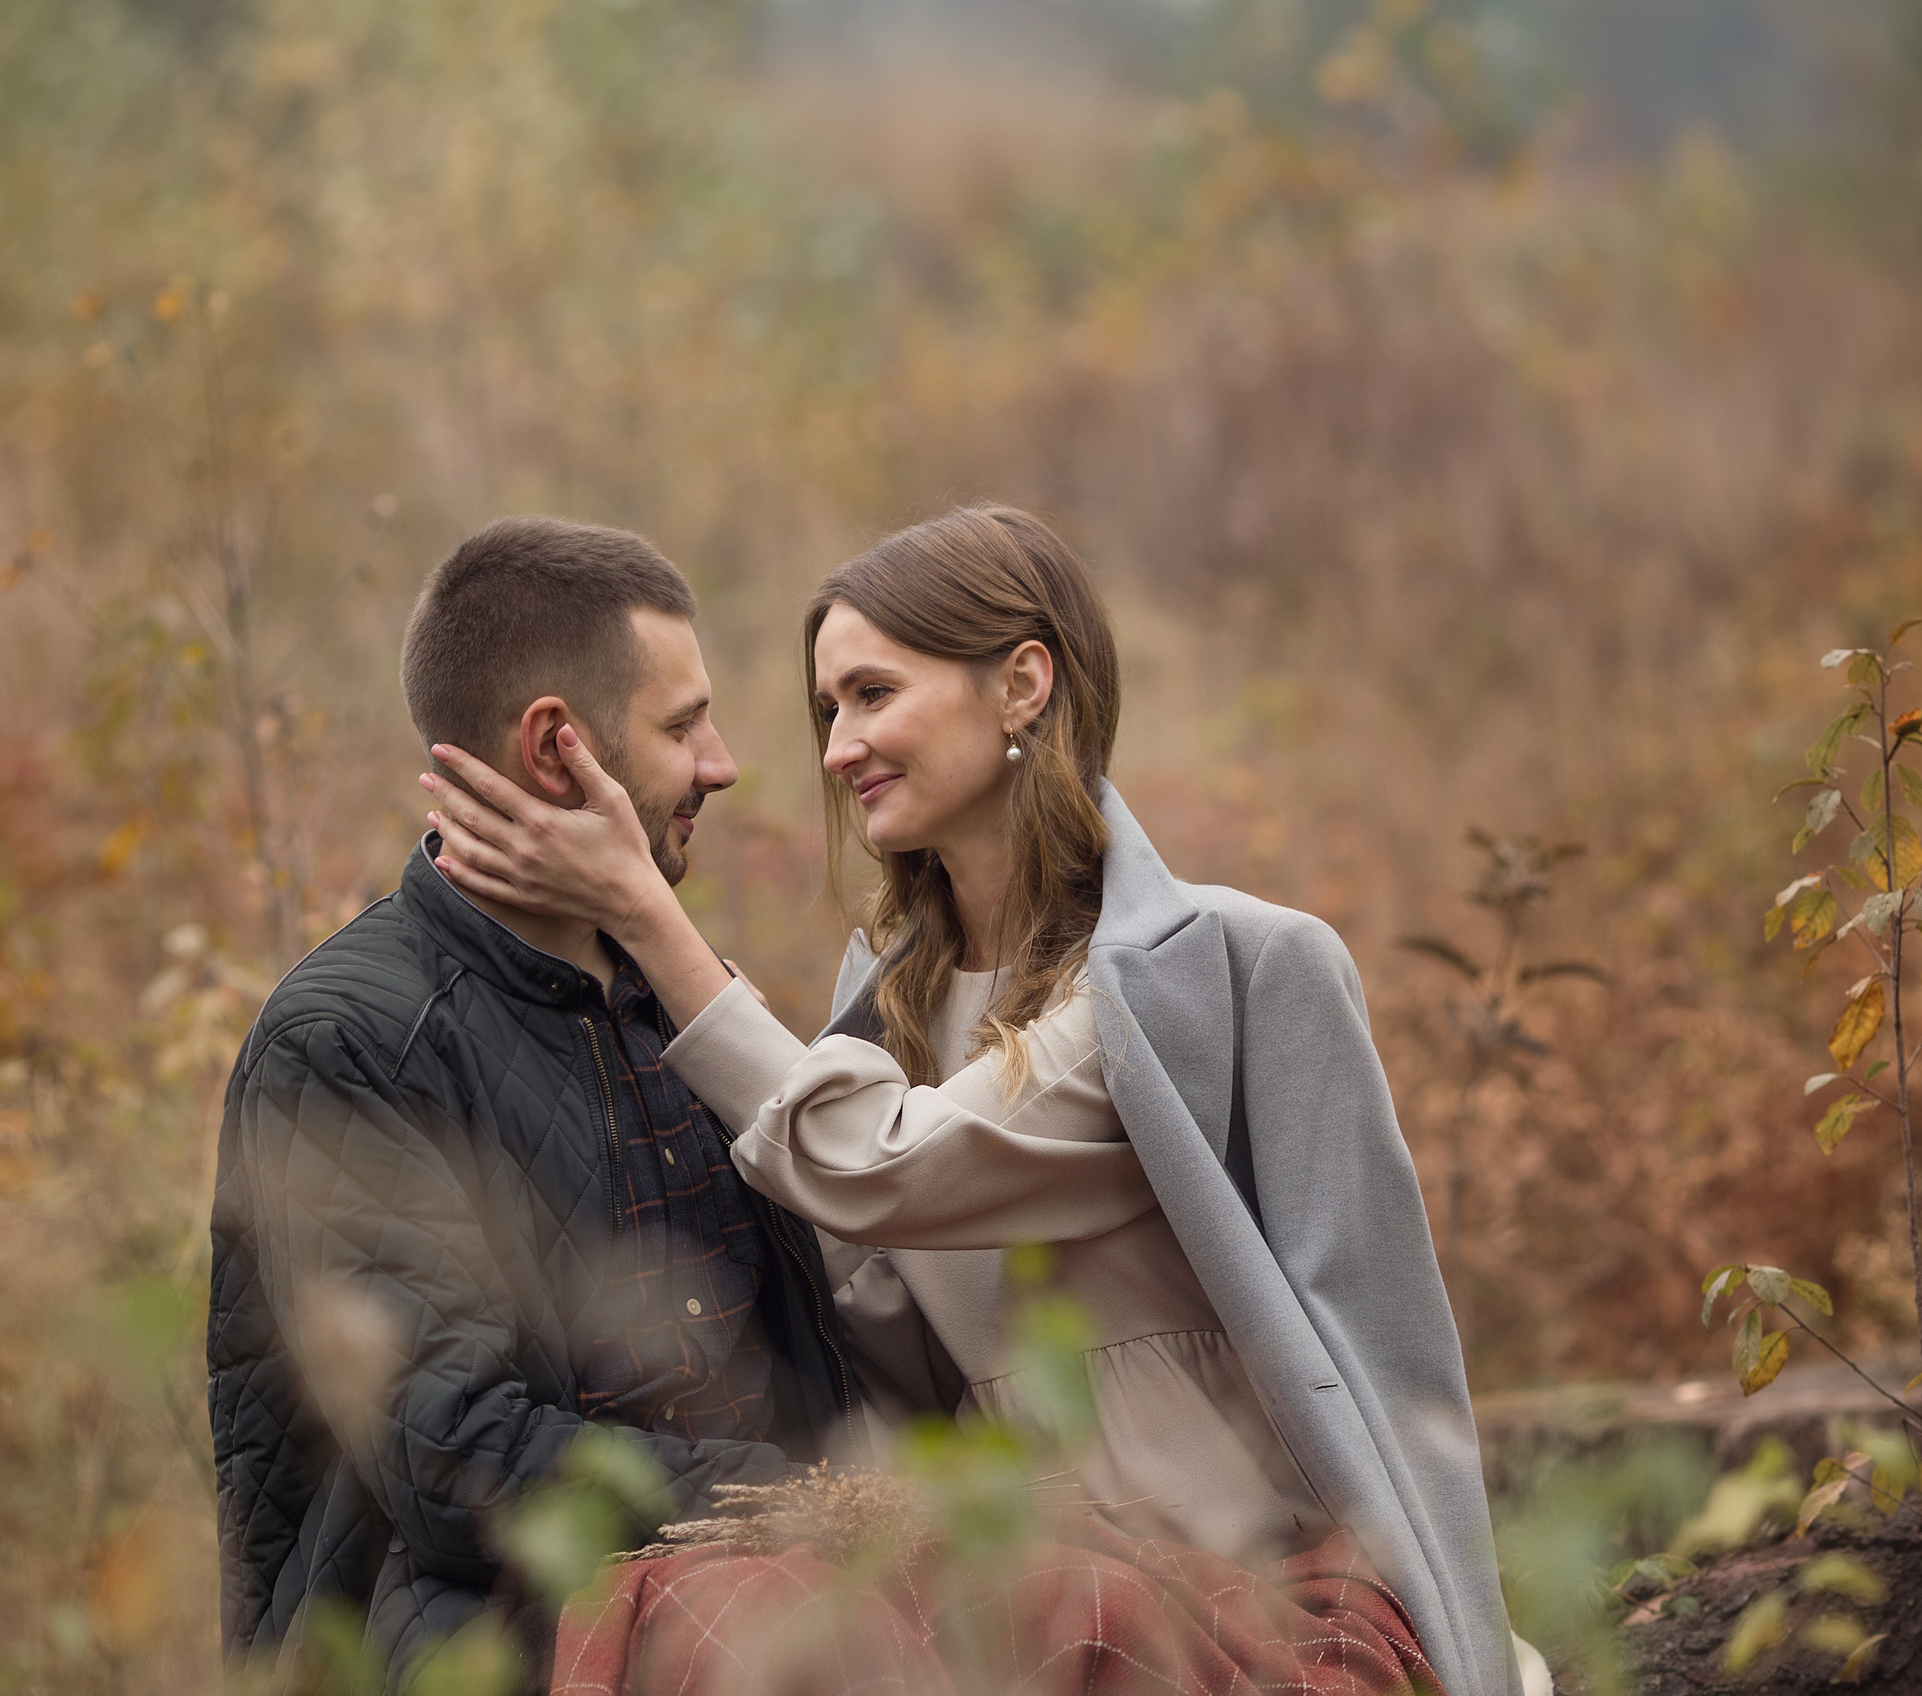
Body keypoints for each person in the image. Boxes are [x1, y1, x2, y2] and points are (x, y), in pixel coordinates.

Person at [421, 504, 1538, 1696]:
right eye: (827, 710)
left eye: (872, 693)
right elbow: (876, 1334)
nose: (837, 747)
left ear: (1021, 683)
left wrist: (647, 914)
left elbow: (894, 1164)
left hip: (1262, 1596)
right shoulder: (882, 1001)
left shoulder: (1220, 970)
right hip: (1012, 1596)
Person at [206, 517, 859, 1684]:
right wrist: (803, 1500)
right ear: (557, 746)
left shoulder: (678, 995)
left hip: (775, 1620)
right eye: (681, 723)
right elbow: (448, 1454)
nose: (721, 761)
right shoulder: (350, 1037)